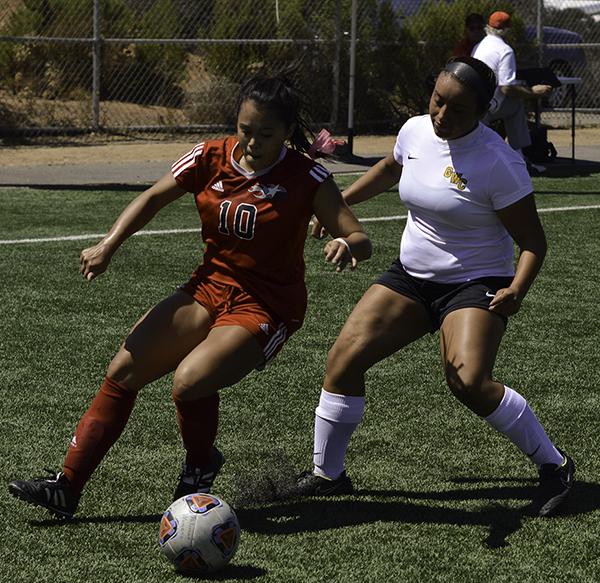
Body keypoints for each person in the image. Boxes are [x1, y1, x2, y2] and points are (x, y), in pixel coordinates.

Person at [8, 75, 372, 519]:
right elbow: (153, 198)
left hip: (267, 304)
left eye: (267, 134)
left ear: (287, 130)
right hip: (208, 286)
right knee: (123, 369)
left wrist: (346, 244)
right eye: (245, 129)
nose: (253, 141)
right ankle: (67, 486)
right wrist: (108, 245)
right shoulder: (210, 155)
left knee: (189, 381)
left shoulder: (307, 176)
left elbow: (358, 235)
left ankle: (200, 462)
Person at [298, 57, 574, 517]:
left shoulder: (498, 163)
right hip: (410, 276)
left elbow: (533, 243)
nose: (442, 115)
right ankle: (328, 475)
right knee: (343, 360)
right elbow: (391, 168)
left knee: (467, 381)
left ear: (483, 112)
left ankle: (555, 466)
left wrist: (517, 290)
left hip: (476, 282)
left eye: (458, 110)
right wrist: (338, 203)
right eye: (438, 101)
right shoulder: (415, 130)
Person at [471, 11, 552, 168]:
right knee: (516, 105)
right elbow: (507, 88)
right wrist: (534, 92)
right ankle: (520, 155)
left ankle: (518, 155)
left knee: (512, 103)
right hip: (488, 106)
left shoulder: (478, 46)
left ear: (489, 26)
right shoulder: (505, 50)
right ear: (507, 29)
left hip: (474, 101)